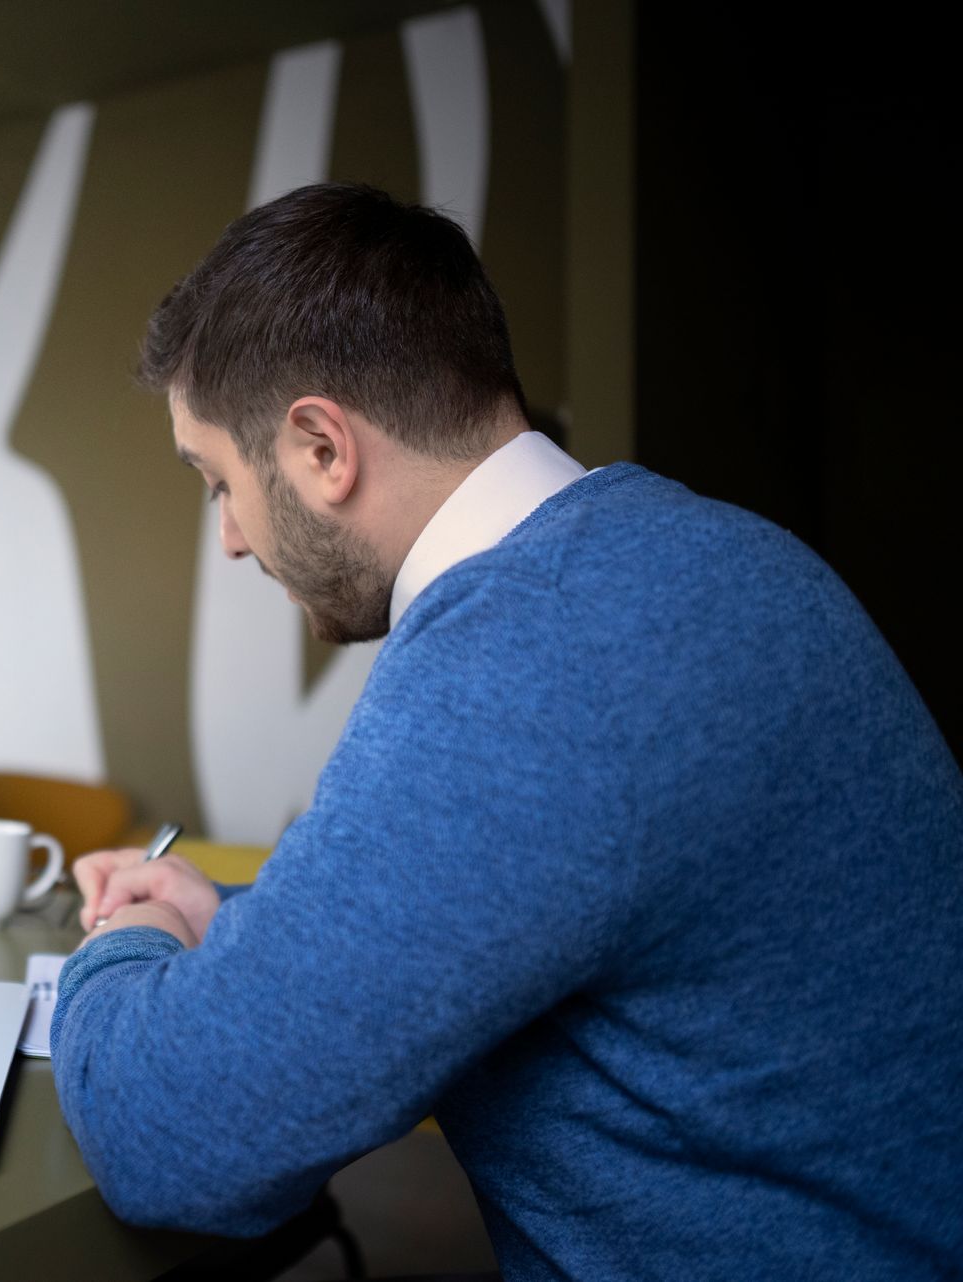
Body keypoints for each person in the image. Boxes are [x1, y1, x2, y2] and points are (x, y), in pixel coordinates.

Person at [55, 184, 963, 1278]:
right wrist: (233, 918)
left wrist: (118, 947)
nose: (232, 543)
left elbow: (177, 1136)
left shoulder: (532, 655)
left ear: (319, 448)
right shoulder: (703, 556)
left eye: (217, 484)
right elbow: (534, 902)